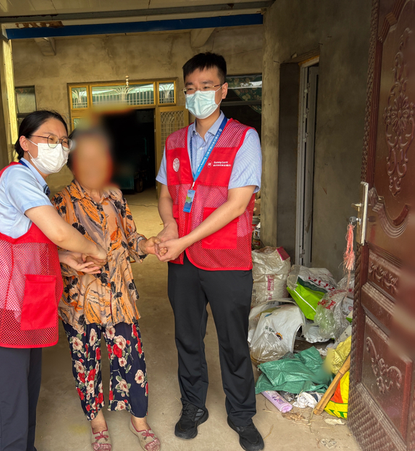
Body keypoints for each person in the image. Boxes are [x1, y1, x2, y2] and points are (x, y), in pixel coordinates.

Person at [0, 111, 108, 451]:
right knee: (7, 421)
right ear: (25, 143)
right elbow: (58, 232)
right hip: (0, 316)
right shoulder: (16, 177)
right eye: (49, 139)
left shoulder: (36, 184)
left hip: (24, 310)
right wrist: (93, 249)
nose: (59, 146)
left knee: (23, 406)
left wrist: (62, 257)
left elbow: (23, 243)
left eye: (63, 141)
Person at [155, 52, 264, 451]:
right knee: (187, 337)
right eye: (190, 88)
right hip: (183, 261)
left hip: (226, 258)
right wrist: (170, 225)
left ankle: (242, 414)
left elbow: (236, 204)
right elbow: (165, 195)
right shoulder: (174, 142)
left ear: (223, 90)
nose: (197, 94)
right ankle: (193, 406)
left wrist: (183, 239)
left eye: (206, 86)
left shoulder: (243, 138)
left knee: (233, 341)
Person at [52, 127, 162, 451]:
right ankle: (97, 422)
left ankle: (139, 419)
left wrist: (147, 244)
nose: (93, 163)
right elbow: (45, 252)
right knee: (85, 361)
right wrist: (67, 259)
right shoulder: (59, 202)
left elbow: (131, 239)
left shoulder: (115, 195)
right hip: (79, 299)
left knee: (132, 357)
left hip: (118, 295)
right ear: (71, 162)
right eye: (85, 157)